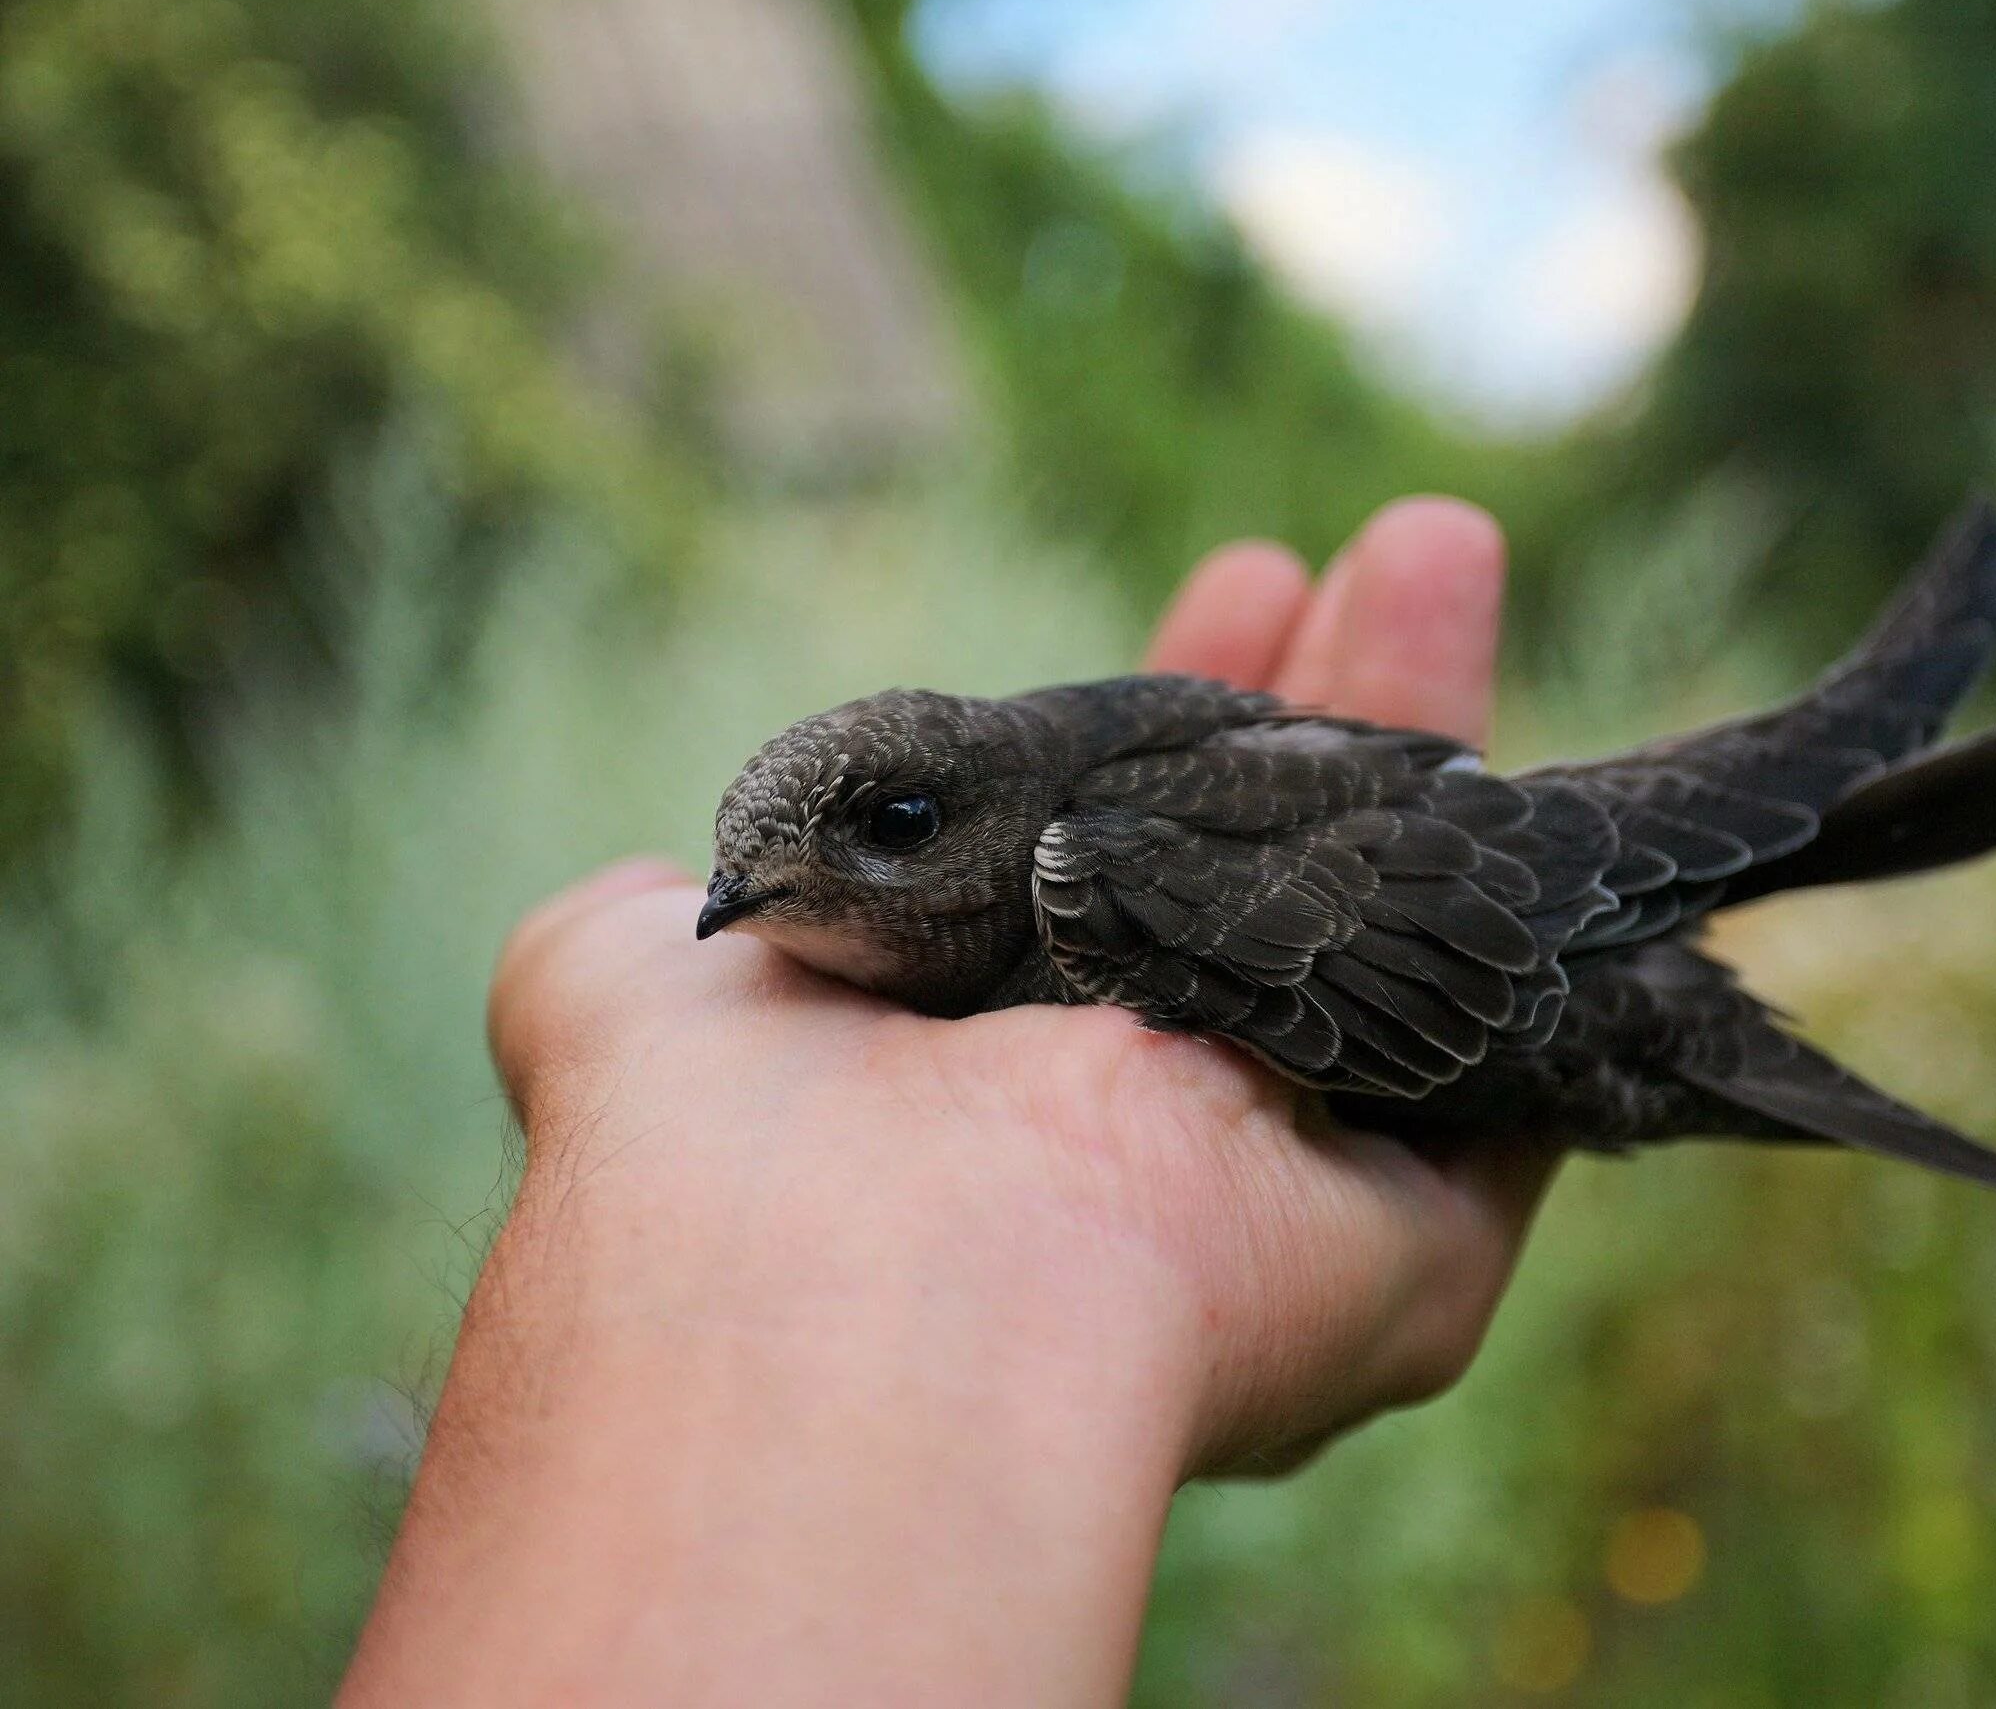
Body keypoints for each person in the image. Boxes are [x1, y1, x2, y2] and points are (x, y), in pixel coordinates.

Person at [338, 499, 1554, 1707]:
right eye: (743, 873)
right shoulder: (821, 934)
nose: (751, 907)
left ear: (976, 812)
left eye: (897, 829)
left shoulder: (1096, 864)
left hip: (1517, 895)